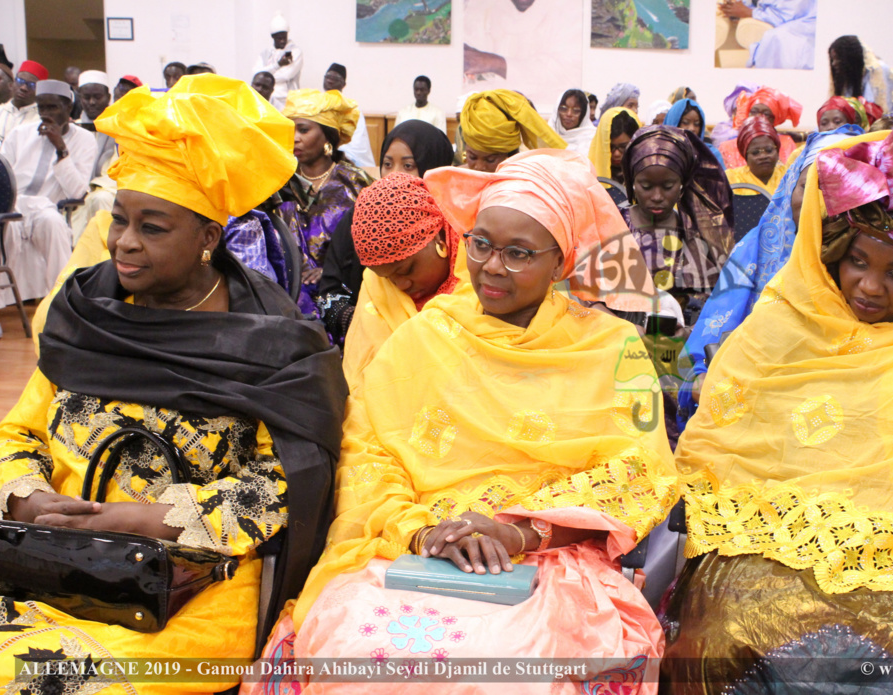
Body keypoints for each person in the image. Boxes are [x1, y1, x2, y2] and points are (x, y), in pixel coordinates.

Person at [246, 150, 674, 695]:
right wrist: (421, 530)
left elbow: (641, 474)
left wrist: (518, 531)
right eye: (481, 243)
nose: (493, 266)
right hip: (415, 547)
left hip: (551, 556)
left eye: (519, 253)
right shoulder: (424, 336)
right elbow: (367, 450)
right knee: (351, 652)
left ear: (561, 263)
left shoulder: (616, 349)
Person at [662, 106, 893, 691]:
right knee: (727, 633)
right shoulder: (785, 321)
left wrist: (886, 532)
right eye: (857, 261)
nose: (868, 285)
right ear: (830, 249)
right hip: (771, 532)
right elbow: (725, 443)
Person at [0, 74, 346, 694]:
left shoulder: (273, 344)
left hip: (187, 587)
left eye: (152, 228)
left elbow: (286, 486)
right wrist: (26, 498)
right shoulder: (85, 310)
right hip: (46, 560)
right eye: (120, 220)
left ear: (209, 238)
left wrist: (142, 520)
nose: (124, 244)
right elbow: (20, 429)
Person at [678, 123, 863, 418]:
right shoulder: (757, 248)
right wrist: (703, 372)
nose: (818, 201)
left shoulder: (871, 261)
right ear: (791, 185)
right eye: (807, 186)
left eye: (834, 189)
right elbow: (710, 337)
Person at [318, 119, 456, 347]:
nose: (394, 174)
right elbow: (329, 295)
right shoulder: (363, 219)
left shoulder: (459, 224)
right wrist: (365, 320)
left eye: (408, 165)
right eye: (388, 164)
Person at [340, 172, 466, 389]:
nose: (401, 286)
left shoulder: (480, 274)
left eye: (407, 269)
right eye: (388, 279)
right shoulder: (374, 285)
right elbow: (362, 380)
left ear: (436, 236)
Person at [620, 125, 734, 328]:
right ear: (632, 182)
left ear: (682, 184)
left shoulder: (693, 232)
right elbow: (592, 296)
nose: (656, 197)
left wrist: (689, 331)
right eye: (646, 187)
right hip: (622, 331)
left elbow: (709, 301)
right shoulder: (616, 225)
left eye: (667, 186)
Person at [0, 80, 96, 310]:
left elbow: (78, 192)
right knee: (3, 231)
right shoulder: (19, 134)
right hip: (15, 206)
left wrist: (61, 149)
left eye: (52, 108)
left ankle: (63, 302)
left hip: (49, 208)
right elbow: (3, 177)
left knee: (54, 226)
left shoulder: (83, 139)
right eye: (42, 108)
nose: (46, 114)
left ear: (68, 107)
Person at [278, 88, 372, 315]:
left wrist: (330, 270)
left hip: (341, 292)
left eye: (303, 130)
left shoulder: (355, 183)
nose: (295, 138)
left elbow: (368, 242)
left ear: (328, 136)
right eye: (291, 130)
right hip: (286, 293)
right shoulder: (280, 182)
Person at [460, 89, 566, 172]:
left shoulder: (523, 185)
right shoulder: (454, 179)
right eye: (472, 157)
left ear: (510, 156)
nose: (479, 167)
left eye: (490, 160)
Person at [829, 35, 893, 114]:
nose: (834, 63)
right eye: (832, 60)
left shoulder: (881, 70)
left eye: (837, 59)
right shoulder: (848, 81)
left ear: (850, 58)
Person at [717, 86, 801, 168]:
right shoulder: (727, 147)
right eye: (754, 112)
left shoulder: (787, 143)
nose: (759, 117)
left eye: (766, 114)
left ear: (773, 119)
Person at [719, 0, 817, 69]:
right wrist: (734, 8)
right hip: (790, 18)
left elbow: (788, 14)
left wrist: (749, 12)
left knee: (778, 38)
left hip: (808, 21)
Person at [323, 63, 377, 169]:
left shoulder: (352, 110)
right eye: (328, 76)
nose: (330, 80)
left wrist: (335, 154)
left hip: (346, 162)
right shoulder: (315, 106)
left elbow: (357, 145)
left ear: (343, 84)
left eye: (335, 78)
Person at [725, 115, 787, 196]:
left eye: (769, 150)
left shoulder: (789, 176)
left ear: (777, 151)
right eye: (755, 152)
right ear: (745, 155)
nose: (763, 156)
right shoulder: (731, 178)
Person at [252, 12, 302, 109]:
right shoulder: (265, 53)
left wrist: (265, 72)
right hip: (265, 99)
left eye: (284, 37)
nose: (282, 41)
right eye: (279, 38)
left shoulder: (295, 51)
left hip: (287, 101)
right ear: (273, 37)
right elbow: (256, 75)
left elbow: (286, 75)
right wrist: (278, 65)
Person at [0, 59, 45, 149]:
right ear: (13, 83)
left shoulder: (41, 119)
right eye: (20, 81)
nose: (23, 88)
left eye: (31, 85)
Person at [76, 70, 116, 178]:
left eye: (97, 97)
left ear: (108, 97)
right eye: (86, 97)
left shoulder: (118, 128)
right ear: (80, 99)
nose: (92, 102)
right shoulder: (74, 129)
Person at [664, 98, 725, 168]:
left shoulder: (711, 155)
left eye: (697, 124)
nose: (691, 128)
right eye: (685, 123)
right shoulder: (663, 154)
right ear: (673, 124)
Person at [589, 107, 641, 189]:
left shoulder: (648, 174)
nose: (616, 153)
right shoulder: (588, 175)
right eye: (610, 147)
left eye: (623, 147)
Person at [548, 87, 595, 156]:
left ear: (583, 114)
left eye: (576, 111)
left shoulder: (592, 138)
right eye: (564, 109)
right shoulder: (548, 135)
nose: (569, 114)